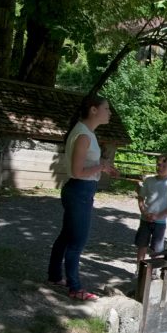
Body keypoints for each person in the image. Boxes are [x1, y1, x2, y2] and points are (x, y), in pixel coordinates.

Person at [47, 95, 118, 301]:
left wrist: (103, 166)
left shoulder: (85, 133)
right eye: (106, 108)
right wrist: (101, 166)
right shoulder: (84, 135)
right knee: (77, 241)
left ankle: (54, 276)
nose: (110, 113)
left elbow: (85, 164)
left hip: (80, 190)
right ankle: (74, 288)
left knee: (66, 236)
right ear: (94, 110)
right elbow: (77, 171)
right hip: (79, 190)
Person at [135, 154, 167, 276]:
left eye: (164, 166)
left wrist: (158, 216)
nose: (160, 168)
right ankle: (139, 270)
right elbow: (141, 197)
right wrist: (144, 211)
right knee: (142, 245)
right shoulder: (149, 181)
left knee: (157, 249)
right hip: (145, 220)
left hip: (160, 222)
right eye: (158, 165)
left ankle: (152, 271)